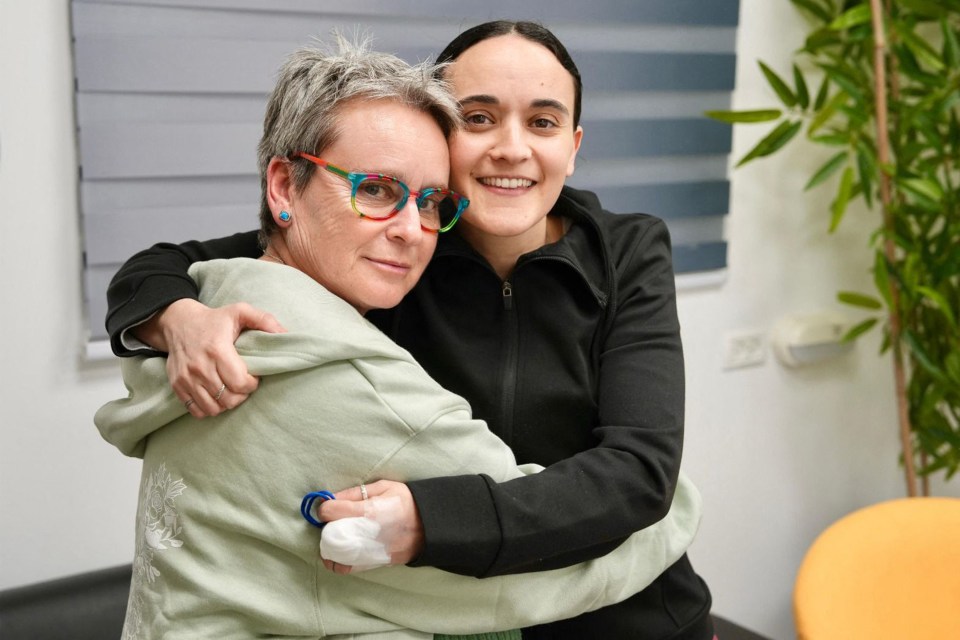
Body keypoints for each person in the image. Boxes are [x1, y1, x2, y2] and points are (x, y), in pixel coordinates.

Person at [105, 21, 715, 639]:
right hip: (481, 609)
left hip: (634, 608)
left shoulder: (627, 248)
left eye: (543, 122)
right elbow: (171, 263)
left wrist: (431, 518)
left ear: (573, 144)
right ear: (445, 139)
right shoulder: (399, 253)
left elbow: (640, 472)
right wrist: (176, 317)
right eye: (478, 118)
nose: (511, 147)